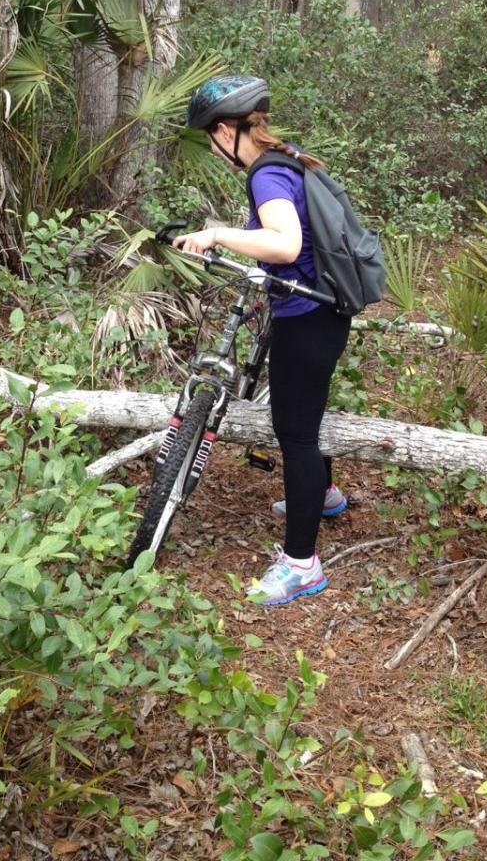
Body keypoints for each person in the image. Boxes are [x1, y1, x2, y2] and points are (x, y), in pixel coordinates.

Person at [173, 75, 351, 607]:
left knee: (294, 434)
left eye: (211, 137)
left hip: (309, 317)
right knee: (303, 414)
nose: (213, 147)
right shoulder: (291, 157)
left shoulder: (265, 173)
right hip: (322, 310)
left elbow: (285, 241)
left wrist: (218, 233)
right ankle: (324, 496)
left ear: (227, 131)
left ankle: (301, 564)